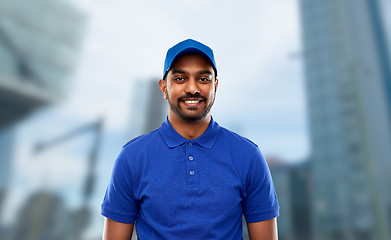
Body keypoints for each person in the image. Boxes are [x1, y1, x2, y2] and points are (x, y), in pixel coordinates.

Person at [101, 39, 279, 240]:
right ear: (163, 87)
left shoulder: (248, 156)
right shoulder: (132, 158)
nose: (192, 88)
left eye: (203, 79)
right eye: (180, 78)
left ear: (216, 85)